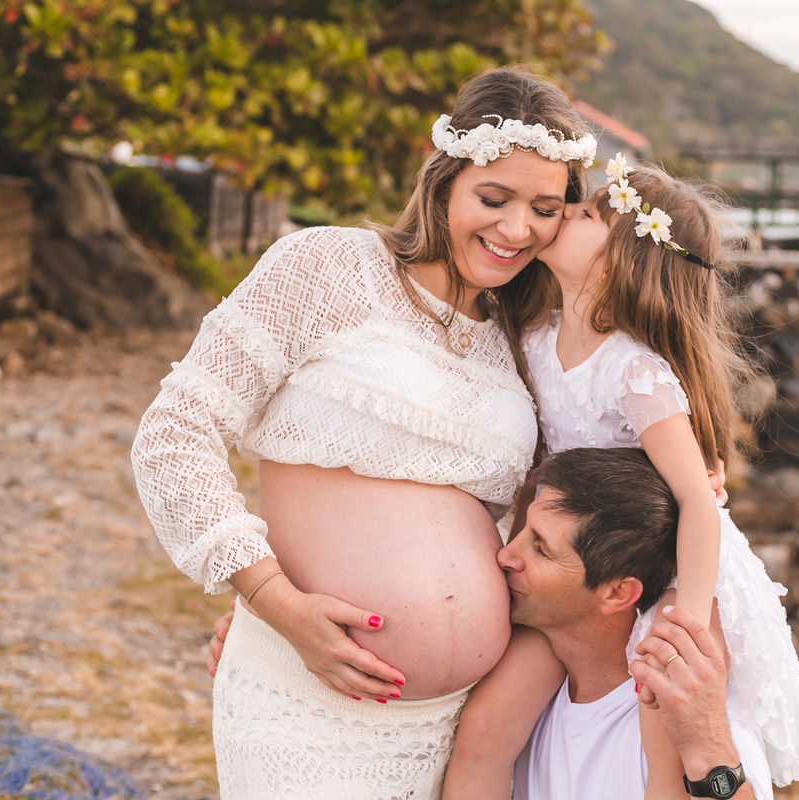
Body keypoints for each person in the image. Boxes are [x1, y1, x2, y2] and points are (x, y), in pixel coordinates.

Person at [130, 67, 598, 799]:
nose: (517, 230)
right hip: (310, 699)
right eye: (493, 198)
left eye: (545, 208)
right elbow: (174, 434)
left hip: (464, 726)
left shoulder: (523, 335)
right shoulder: (327, 267)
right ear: (443, 181)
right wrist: (272, 599)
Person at [445, 155, 799, 798]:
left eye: (587, 213)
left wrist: (688, 618)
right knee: (485, 727)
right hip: (584, 557)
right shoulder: (535, 337)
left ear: (620, 259)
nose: (565, 211)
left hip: (677, 566)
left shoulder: (635, 370)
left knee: (664, 708)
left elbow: (697, 502)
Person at [209, 448, 766, 799]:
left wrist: (708, 747)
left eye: (540, 549)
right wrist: (269, 635)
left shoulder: (678, 717)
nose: (505, 555)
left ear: (618, 593)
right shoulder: (519, 690)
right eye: (520, 531)